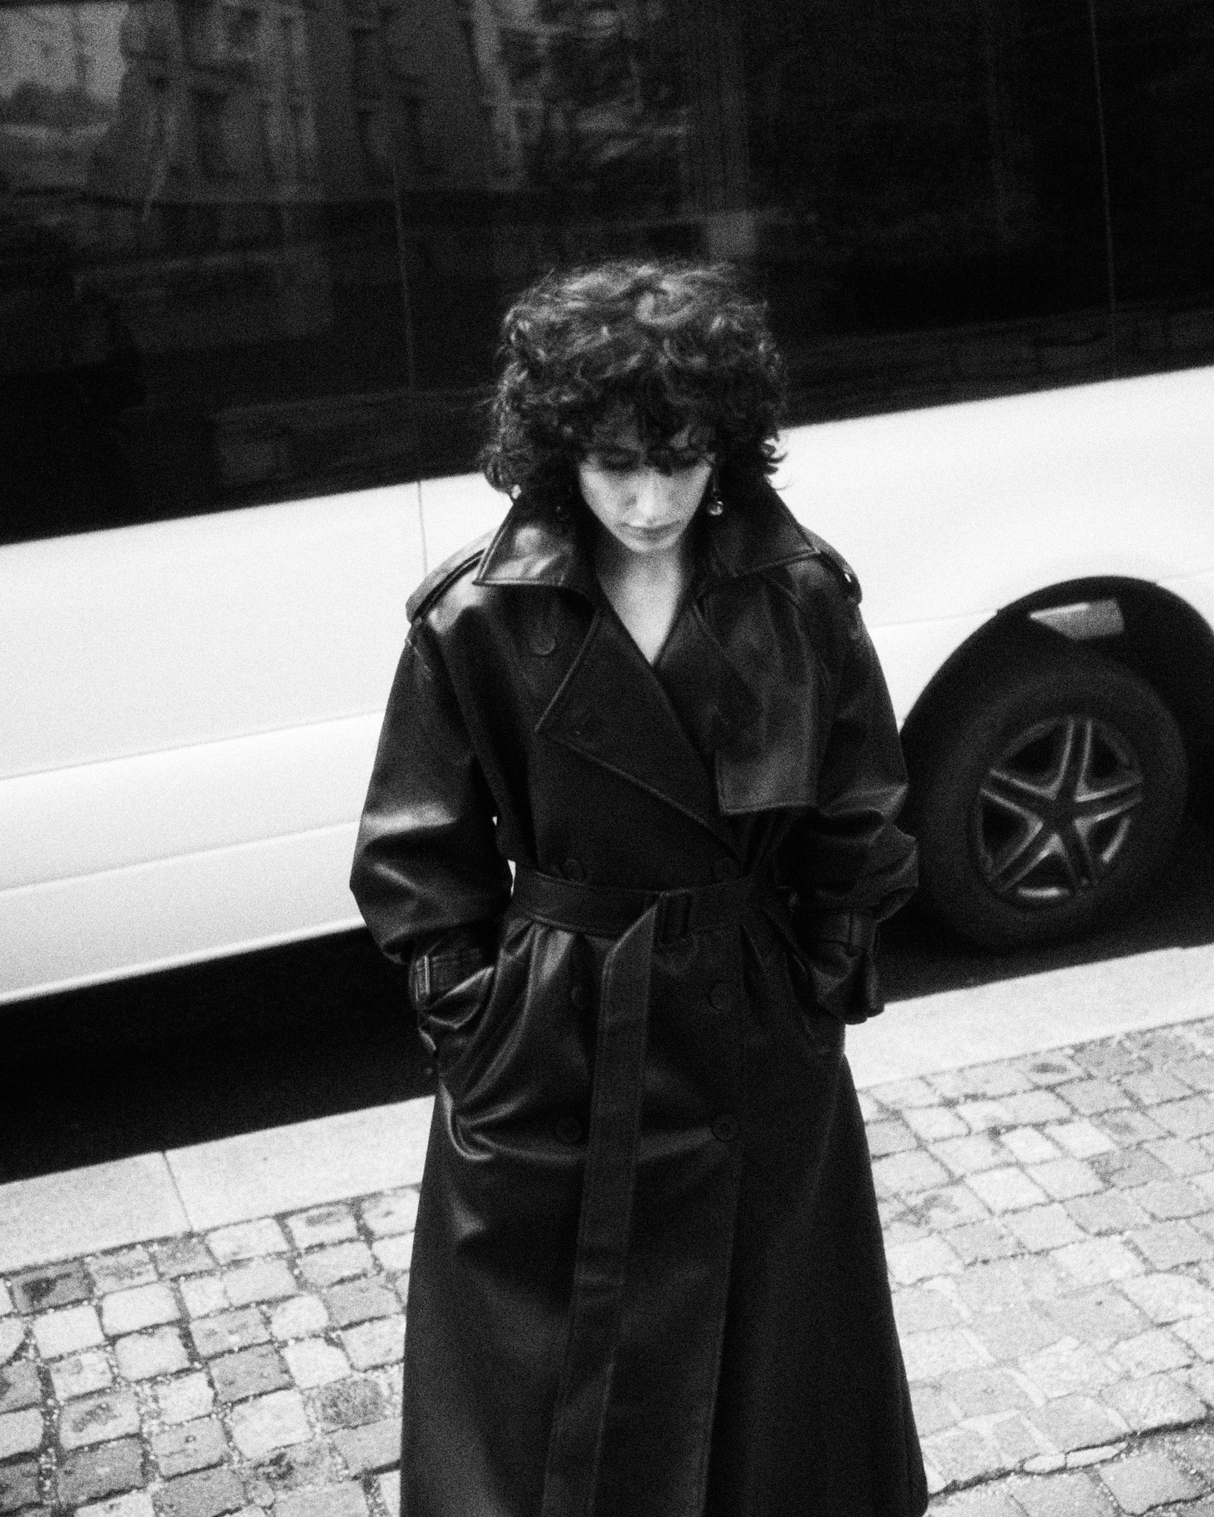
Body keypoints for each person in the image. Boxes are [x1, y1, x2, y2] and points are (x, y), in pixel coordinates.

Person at [350, 259, 928, 1517]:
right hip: (552, 1040)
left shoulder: (798, 595)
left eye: (679, 459)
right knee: (534, 1384)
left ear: (725, 446)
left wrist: (816, 985)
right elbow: (417, 855)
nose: (650, 499)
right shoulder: (475, 617)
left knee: (774, 1371)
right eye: (616, 463)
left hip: (750, 1024)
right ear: (560, 452)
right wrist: (476, 1029)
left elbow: (860, 809)